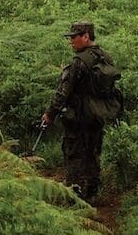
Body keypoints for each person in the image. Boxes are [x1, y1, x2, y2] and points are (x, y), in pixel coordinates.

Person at [41, 21, 116, 203]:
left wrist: (49, 114)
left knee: (74, 157)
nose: (71, 42)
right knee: (93, 155)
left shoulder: (79, 62)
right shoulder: (106, 57)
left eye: (74, 37)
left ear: (86, 36)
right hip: (97, 117)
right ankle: (92, 195)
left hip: (78, 120)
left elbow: (62, 93)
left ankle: (74, 198)